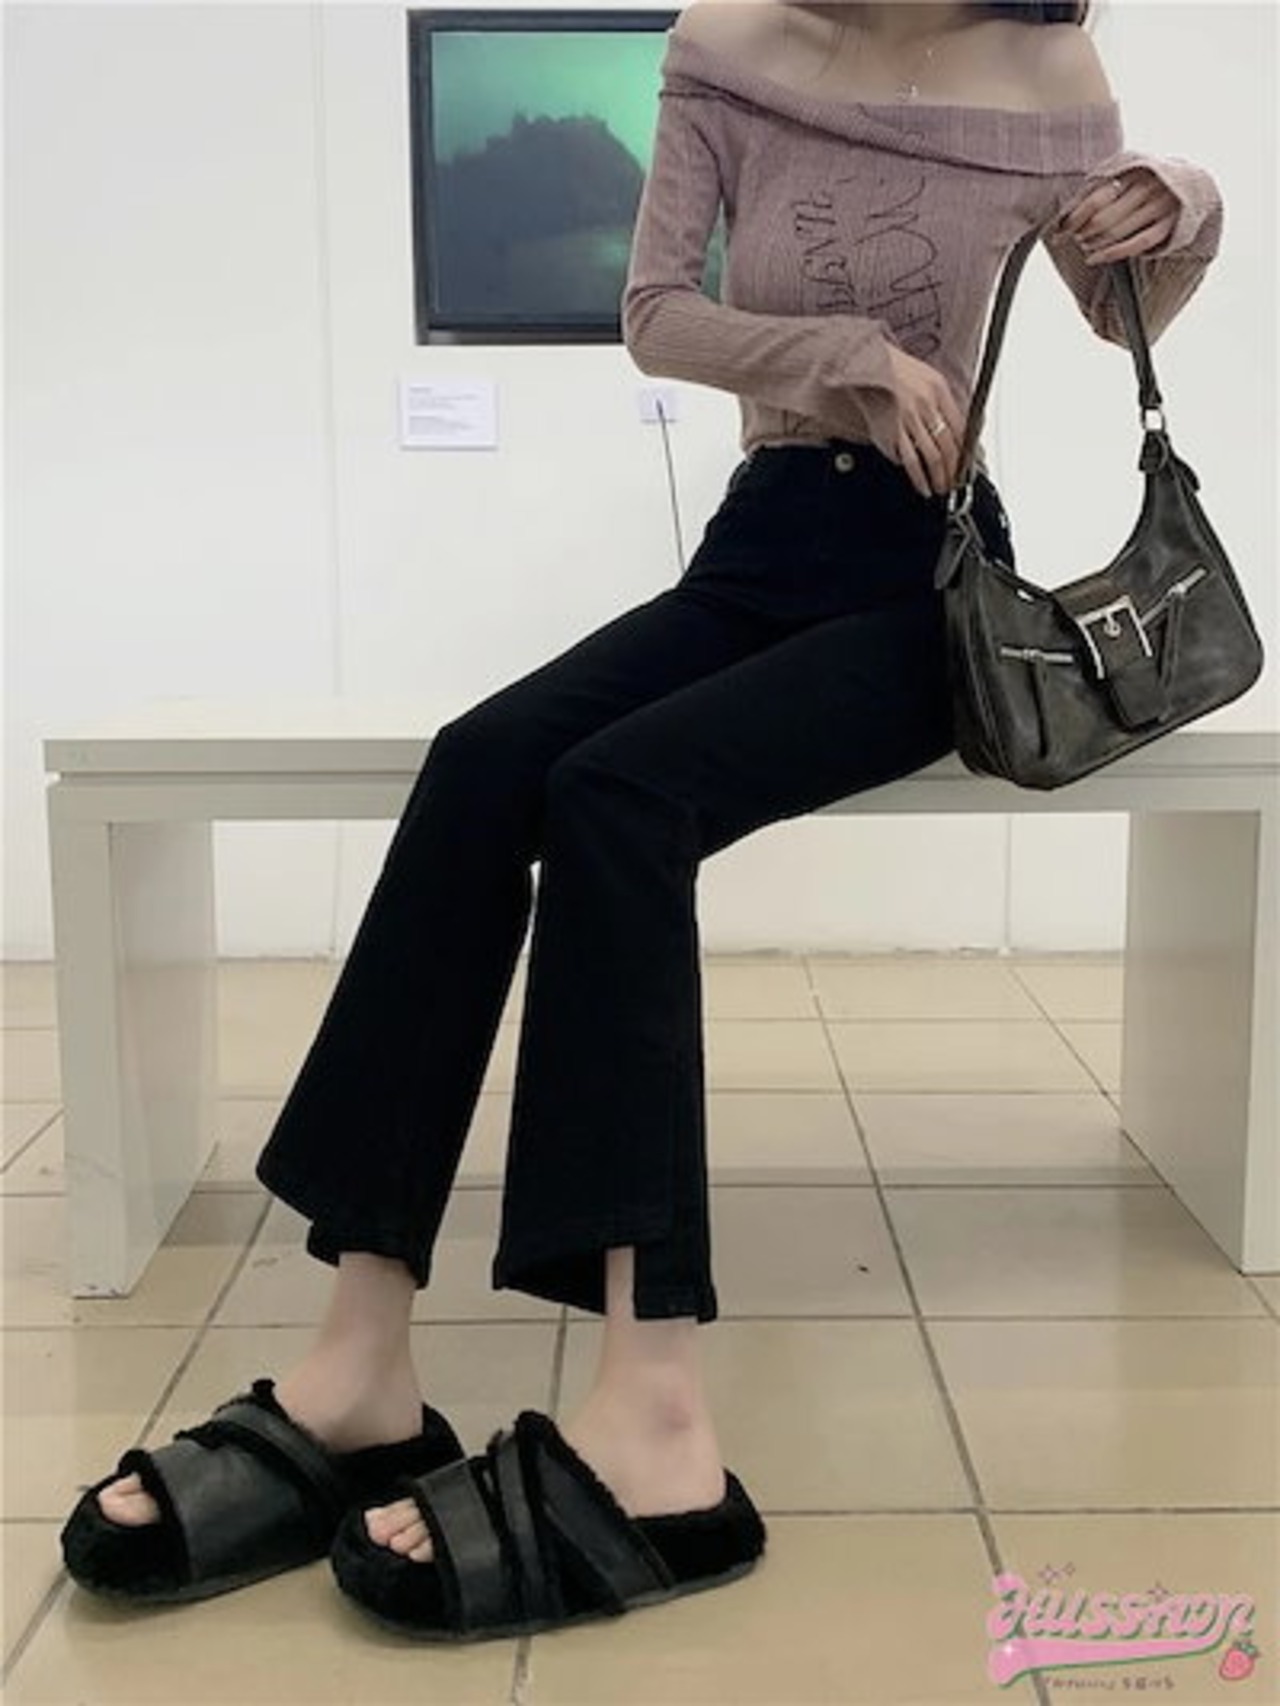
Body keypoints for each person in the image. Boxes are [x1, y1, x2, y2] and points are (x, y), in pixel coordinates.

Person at [60, 0, 1222, 1641]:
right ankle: (359, 1361)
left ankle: (656, 1414)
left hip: (927, 576)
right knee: (481, 765)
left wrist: (1182, 205)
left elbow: (1118, 314)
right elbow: (657, 312)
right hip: (759, 542)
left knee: (619, 794)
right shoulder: (731, 43)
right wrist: (848, 357)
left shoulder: (1048, 73)